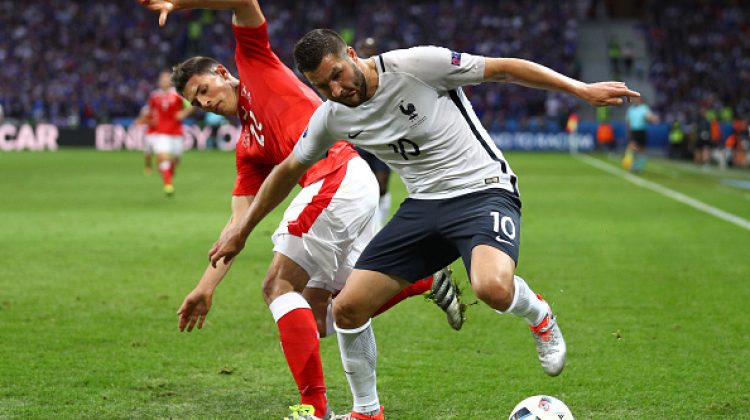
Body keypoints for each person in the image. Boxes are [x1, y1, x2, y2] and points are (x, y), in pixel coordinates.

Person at [207, 28, 640, 419]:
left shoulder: (416, 65)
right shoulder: (332, 115)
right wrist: (239, 231)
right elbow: (284, 171)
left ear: (352, 54)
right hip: (424, 206)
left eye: (338, 74)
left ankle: (540, 315)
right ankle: (366, 413)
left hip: (482, 189)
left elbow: (504, 70)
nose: (337, 89)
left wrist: (579, 89)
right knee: (349, 307)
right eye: (323, 86)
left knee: (492, 288)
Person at [136, 2, 464, 419]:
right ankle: (422, 281)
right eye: (197, 103)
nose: (205, 102)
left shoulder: (254, 63)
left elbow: (244, 3)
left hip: (336, 176)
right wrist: (206, 286)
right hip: (347, 184)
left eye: (203, 90)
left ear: (221, 73)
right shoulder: (248, 150)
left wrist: (179, 4)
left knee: (277, 285)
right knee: (319, 316)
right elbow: (237, 226)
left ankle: (313, 409)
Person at [353, 37, 392, 226]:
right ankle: (365, 225)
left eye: (371, 49)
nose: (368, 52)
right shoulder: (353, 77)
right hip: (363, 140)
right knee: (363, 185)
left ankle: (378, 224)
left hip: (385, 140)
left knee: (382, 186)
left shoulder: (386, 76)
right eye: (364, 48)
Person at [136, 70, 193, 194]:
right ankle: (168, 185)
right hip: (161, 133)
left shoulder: (178, 94)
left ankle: (169, 171)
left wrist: (183, 113)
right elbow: (148, 110)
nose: (165, 81)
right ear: (159, 81)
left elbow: (191, 105)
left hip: (176, 133)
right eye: (163, 79)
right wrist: (141, 120)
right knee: (162, 157)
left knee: (176, 159)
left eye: (167, 79)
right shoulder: (154, 96)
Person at [622, 100, 659, 173]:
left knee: (641, 149)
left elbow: (648, 116)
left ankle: (639, 167)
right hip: (634, 130)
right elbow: (628, 121)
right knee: (632, 147)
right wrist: (628, 131)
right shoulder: (631, 109)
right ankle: (631, 164)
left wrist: (653, 118)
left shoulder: (644, 108)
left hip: (642, 130)